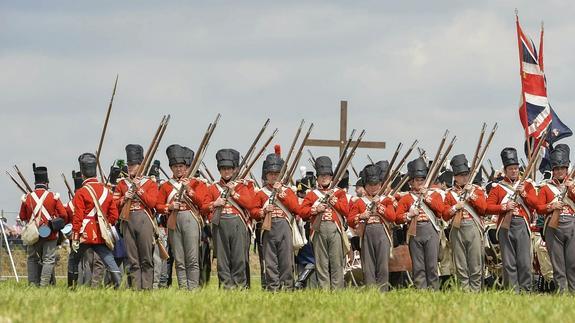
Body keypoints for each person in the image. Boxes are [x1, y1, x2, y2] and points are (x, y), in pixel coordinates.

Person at [156, 145, 209, 290]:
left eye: (181, 166)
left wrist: (189, 190)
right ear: (171, 168)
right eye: (175, 166)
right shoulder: (166, 186)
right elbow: (158, 205)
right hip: (173, 220)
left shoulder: (197, 183)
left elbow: (203, 204)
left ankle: (193, 287)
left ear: (187, 167)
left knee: (192, 258)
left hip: (191, 218)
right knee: (179, 258)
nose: (178, 169)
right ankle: (183, 287)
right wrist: (170, 207)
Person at [486, 147, 538, 292]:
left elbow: (536, 204)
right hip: (505, 225)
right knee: (509, 262)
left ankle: (526, 290)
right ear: (505, 170)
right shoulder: (497, 187)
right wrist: (503, 207)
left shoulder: (526, 184)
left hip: (522, 224)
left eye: (516, 168)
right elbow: (487, 207)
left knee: (524, 261)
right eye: (511, 168)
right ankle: (512, 291)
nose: (514, 171)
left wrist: (524, 194)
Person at [203, 149, 256, 289]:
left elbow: (250, 204)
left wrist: (233, 193)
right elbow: (203, 207)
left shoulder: (242, 186)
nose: (226, 171)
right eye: (223, 169)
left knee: (238, 258)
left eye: (229, 168)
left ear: (234, 169)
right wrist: (215, 204)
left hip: (238, 224)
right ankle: (226, 287)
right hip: (220, 224)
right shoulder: (214, 187)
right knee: (223, 259)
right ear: (220, 170)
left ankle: (240, 286)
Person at [68, 153, 122, 288]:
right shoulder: (106, 191)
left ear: (82, 174)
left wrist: (75, 236)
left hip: (84, 234)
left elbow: (78, 216)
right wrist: (104, 225)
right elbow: (114, 215)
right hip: (100, 234)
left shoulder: (81, 192)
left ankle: (72, 287)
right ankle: (118, 285)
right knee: (109, 259)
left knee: (73, 260)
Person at [250, 152, 301, 291]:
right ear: (266, 175)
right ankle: (273, 287)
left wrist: (282, 193)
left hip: (284, 227)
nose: (273, 176)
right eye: (271, 173)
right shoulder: (261, 193)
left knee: (286, 260)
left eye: (276, 173)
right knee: (270, 261)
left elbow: (297, 208)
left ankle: (287, 287)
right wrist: (263, 211)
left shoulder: (287, 191)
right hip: (268, 228)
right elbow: (253, 211)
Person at [300, 156, 349, 290]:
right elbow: (302, 212)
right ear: (317, 177)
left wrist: (334, 202)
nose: (324, 177)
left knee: (336, 263)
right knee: (321, 264)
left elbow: (346, 211)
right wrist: (315, 209)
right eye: (321, 175)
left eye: (327, 175)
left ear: (331, 176)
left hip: (335, 230)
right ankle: (324, 291)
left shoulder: (339, 193)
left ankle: (337, 291)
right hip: (318, 231)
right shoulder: (312, 194)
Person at [114, 144, 159, 290]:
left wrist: (138, 190)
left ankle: (146, 288)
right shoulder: (121, 184)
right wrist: (124, 198)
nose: (130, 167)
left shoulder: (149, 183)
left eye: (134, 165)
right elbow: (114, 204)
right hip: (127, 220)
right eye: (129, 165)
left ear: (141, 165)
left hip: (144, 219)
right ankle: (135, 288)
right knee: (132, 258)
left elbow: (152, 203)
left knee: (146, 257)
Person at [396, 158, 445, 290]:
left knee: (432, 265)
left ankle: (434, 291)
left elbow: (441, 210)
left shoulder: (434, 195)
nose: (421, 182)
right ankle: (421, 291)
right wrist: (409, 215)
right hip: (414, 231)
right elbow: (397, 218)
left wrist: (427, 198)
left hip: (430, 230)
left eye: (423, 179)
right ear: (411, 182)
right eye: (418, 180)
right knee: (418, 266)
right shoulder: (406, 198)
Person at [441, 154, 487, 292]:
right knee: (460, 264)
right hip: (457, 228)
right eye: (461, 175)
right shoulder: (449, 194)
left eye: (466, 174)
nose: (464, 177)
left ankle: (476, 291)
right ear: (455, 177)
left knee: (475, 263)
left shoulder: (477, 190)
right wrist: (455, 207)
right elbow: (444, 214)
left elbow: (483, 209)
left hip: (473, 226)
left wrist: (471, 195)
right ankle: (465, 291)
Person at [347, 163, 396, 291]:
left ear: (380, 184)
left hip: (382, 233)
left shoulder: (386, 200)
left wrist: (379, 207)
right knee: (368, 267)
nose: (374, 187)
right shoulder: (359, 202)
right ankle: (371, 294)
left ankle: (383, 292)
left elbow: (392, 216)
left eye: (376, 184)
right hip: (366, 234)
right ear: (365, 186)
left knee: (383, 267)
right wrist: (361, 216)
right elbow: (350, 220)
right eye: (370, 185)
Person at [19, 164, 67, 286]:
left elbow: (23, 216)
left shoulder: (28, 197)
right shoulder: (53, 196)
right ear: (46, 183)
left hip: (33, 233)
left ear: (35, 182)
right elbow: (63, 215)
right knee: (48, 260)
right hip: (50, 233)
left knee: (32, 259)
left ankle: (32, 284)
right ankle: (44, 285)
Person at [536, 144, 575, 293]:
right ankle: (562, 292)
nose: (559, 171)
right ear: (553, 171)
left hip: (571, 224)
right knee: (558, 264)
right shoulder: (546, 187)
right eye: (557, 169)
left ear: (567, 169)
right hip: (553, 227)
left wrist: (570, 188)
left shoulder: (572, 185)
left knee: (572, 263)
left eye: (562, 168)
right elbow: (539, 207)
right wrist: (552, 206)